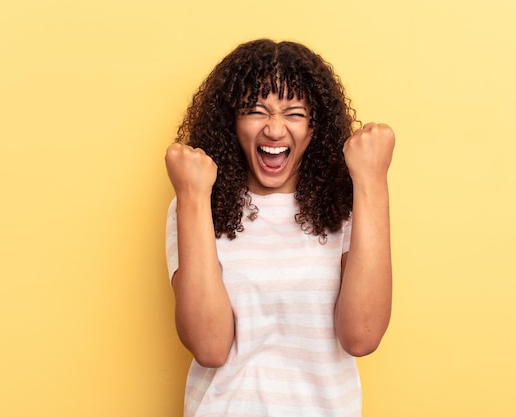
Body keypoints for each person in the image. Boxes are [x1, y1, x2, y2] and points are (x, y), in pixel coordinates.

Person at [164, 38, 395, 417]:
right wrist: (192, 197)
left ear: (315, 126)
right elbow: (209, 346)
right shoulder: (194, 203)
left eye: (295, 113)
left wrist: (371, 180)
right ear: (230, 121)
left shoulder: (348, 206)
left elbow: (362, 335)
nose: (274, 130)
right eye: (256, 111)